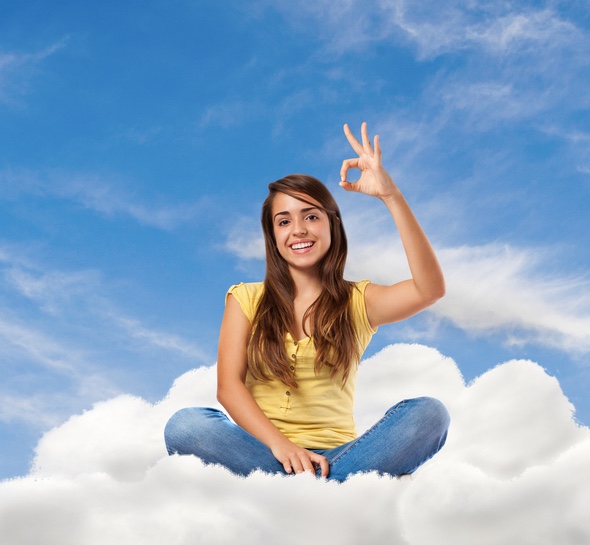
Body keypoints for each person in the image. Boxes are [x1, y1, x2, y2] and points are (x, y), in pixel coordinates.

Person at [164, 122, 450, 481]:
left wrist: (390, 197)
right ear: (274, 236)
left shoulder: (358, 301)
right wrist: (281, 447)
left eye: (311, 217)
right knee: (185, 425)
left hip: (340, 454)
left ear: (332, 226)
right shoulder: (246, 298)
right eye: (284, 222)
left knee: (430, 414)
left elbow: (430, 289)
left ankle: (311, 484)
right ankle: (330, 486)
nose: (298, 230)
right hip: (264, 450)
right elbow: (229, 388)